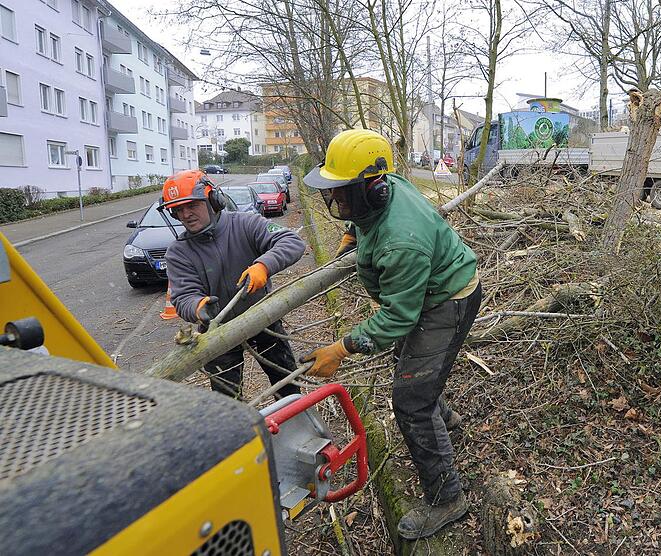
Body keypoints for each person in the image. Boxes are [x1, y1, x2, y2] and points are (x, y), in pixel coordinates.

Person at [302, 129, 481, 540]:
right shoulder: (382, 188)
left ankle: (447, 498)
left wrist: (342, 348)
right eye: (336, 194)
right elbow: (367, 220)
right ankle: (445, 418)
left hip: (446, 300)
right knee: (415, 367)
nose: (338, 203)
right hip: (425, 294)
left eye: (345, 196)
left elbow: (400, 317)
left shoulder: (402, 240)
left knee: (411, 400)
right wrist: (354, 231)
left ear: (372, 188)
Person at [159, 169, 306, 400]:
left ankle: (296, 420)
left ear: (212, 200)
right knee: (227, 398)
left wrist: (264, 266)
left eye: (192, 205)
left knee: (286, 382)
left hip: (262, 318)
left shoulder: (246, 224)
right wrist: (197, 307)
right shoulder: (178, 253)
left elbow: (292, 241)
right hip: (217, 331)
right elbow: (182, 296)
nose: (185, 214)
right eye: (178, 209)